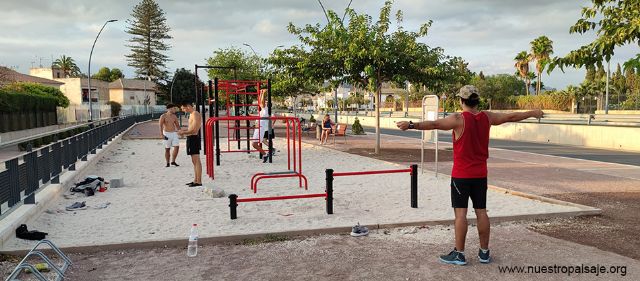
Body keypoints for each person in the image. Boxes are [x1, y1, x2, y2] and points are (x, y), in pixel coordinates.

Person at [396, 85, 543, 265]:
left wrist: (410, 125)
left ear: (461, 100)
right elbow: (511, 116)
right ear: (477, 100)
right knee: (481, 211)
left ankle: (460, 254)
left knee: (460, 214)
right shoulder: (486, 117)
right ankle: (484, 252)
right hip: (480, 174)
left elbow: (434, 124)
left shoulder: (458, 119)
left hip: (461, 175)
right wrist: (533, 112)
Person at [178, 103, 203, 187]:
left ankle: (199, 181)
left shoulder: (195, 114)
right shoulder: (192, 114)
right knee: (194, 161)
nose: (183, 111)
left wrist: (183, 132)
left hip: (193, 138)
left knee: (196, 160)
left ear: (188, 106)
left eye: (184, 109)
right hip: (190, 138)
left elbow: (194, 129)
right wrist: (183, 131)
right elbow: (190, 128)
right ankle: (196, 180)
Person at [251, 92, 276, 163]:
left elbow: (261, 102)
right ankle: (265, 155)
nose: (263, 103)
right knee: (254, 144)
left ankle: (265, 154)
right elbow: (260, 102)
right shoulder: (263, 110)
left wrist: (263, 93)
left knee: (254, 144)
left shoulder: (266, 110)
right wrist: (261, 93)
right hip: (258, 127)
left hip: (261, 128)